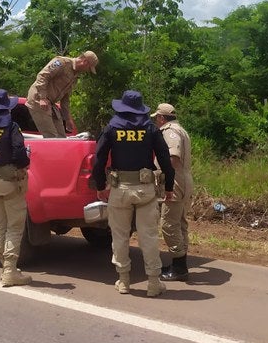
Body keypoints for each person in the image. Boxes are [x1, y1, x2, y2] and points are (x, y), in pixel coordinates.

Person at [92, 90, 175, 297]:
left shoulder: (112, 127)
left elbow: (99, 158)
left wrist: (100, 185)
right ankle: (154, 284)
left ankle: (124, 281)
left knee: (119, 236)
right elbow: (165, 158)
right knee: (148, 236)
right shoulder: (150, 128)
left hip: (119, 190)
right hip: (145, 190)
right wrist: (169, 187)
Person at [0, 89, 32, 287]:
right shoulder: (12, 126)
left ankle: (5, 266)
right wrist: (24, 163)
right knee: (15, 227)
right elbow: (19, 151)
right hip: (11, 182)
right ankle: (10, 271)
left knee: (0, 225)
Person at [151, 103, 194, 282]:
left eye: (156, 118)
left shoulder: (170, 131)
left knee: (169, 224)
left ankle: (179, 267)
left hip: (175, 181)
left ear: (162, 118)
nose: (155, 122)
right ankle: (180, 264)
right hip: (183, 179)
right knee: (180, 223)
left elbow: (173, 158)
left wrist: (162, 175)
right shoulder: (180, 129)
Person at [25, 51, 99, 138]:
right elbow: (42, 76)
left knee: (61, 137)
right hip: (38, 98)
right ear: (85, 62)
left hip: (50, 103)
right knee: (51, 137)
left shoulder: (75, 76)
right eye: (89, 68)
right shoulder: (62, 63)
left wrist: (67, 119)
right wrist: (42, 97)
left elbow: (65, 98)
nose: (87, 71)